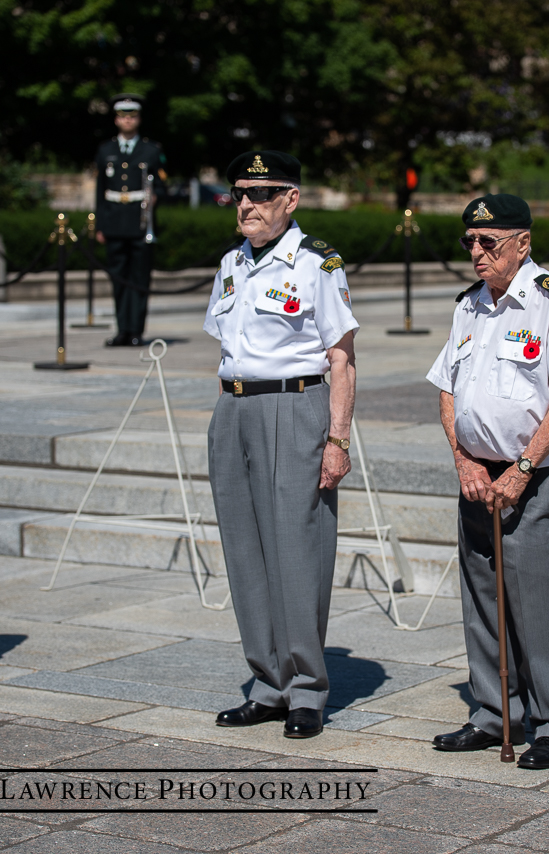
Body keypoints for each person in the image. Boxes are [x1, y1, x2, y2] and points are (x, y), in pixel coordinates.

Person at [427, 194, 549, 770]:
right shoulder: (469, 306)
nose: (476, 252)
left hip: (537, 476)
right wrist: (464, 461)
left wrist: (522, 469)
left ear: (522, 244)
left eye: (489, 242)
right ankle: (495, 711)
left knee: (546, 600)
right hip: (477, 476)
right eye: (469, 242)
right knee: (483, 601)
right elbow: (447, 389)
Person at [203, 150, 358, 739]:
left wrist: (337, 438)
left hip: (295, 406)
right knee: (244, 550)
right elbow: (226, 347)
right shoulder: (231, 264)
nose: (246, 203)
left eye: (261, 193)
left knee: (298, 549)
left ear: (290, 199)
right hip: (234, 407)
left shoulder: (318, 264)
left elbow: (341, 358)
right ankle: (267, 683)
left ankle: (307, 691)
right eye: (240, 191)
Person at [94, 93, 166, 346]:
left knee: (139, 279)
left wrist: (156, 198)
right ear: (116, 120)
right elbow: (100, 191)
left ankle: (136, 330)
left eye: (132, 116)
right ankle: (122, 329)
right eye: (123, 116)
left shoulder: (151, 150)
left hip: (139, 223)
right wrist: (100, 225)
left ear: (138, 119)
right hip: (114, 222)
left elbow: (161, 185)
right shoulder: (105, 150)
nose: (127, 121)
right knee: (119, 280)